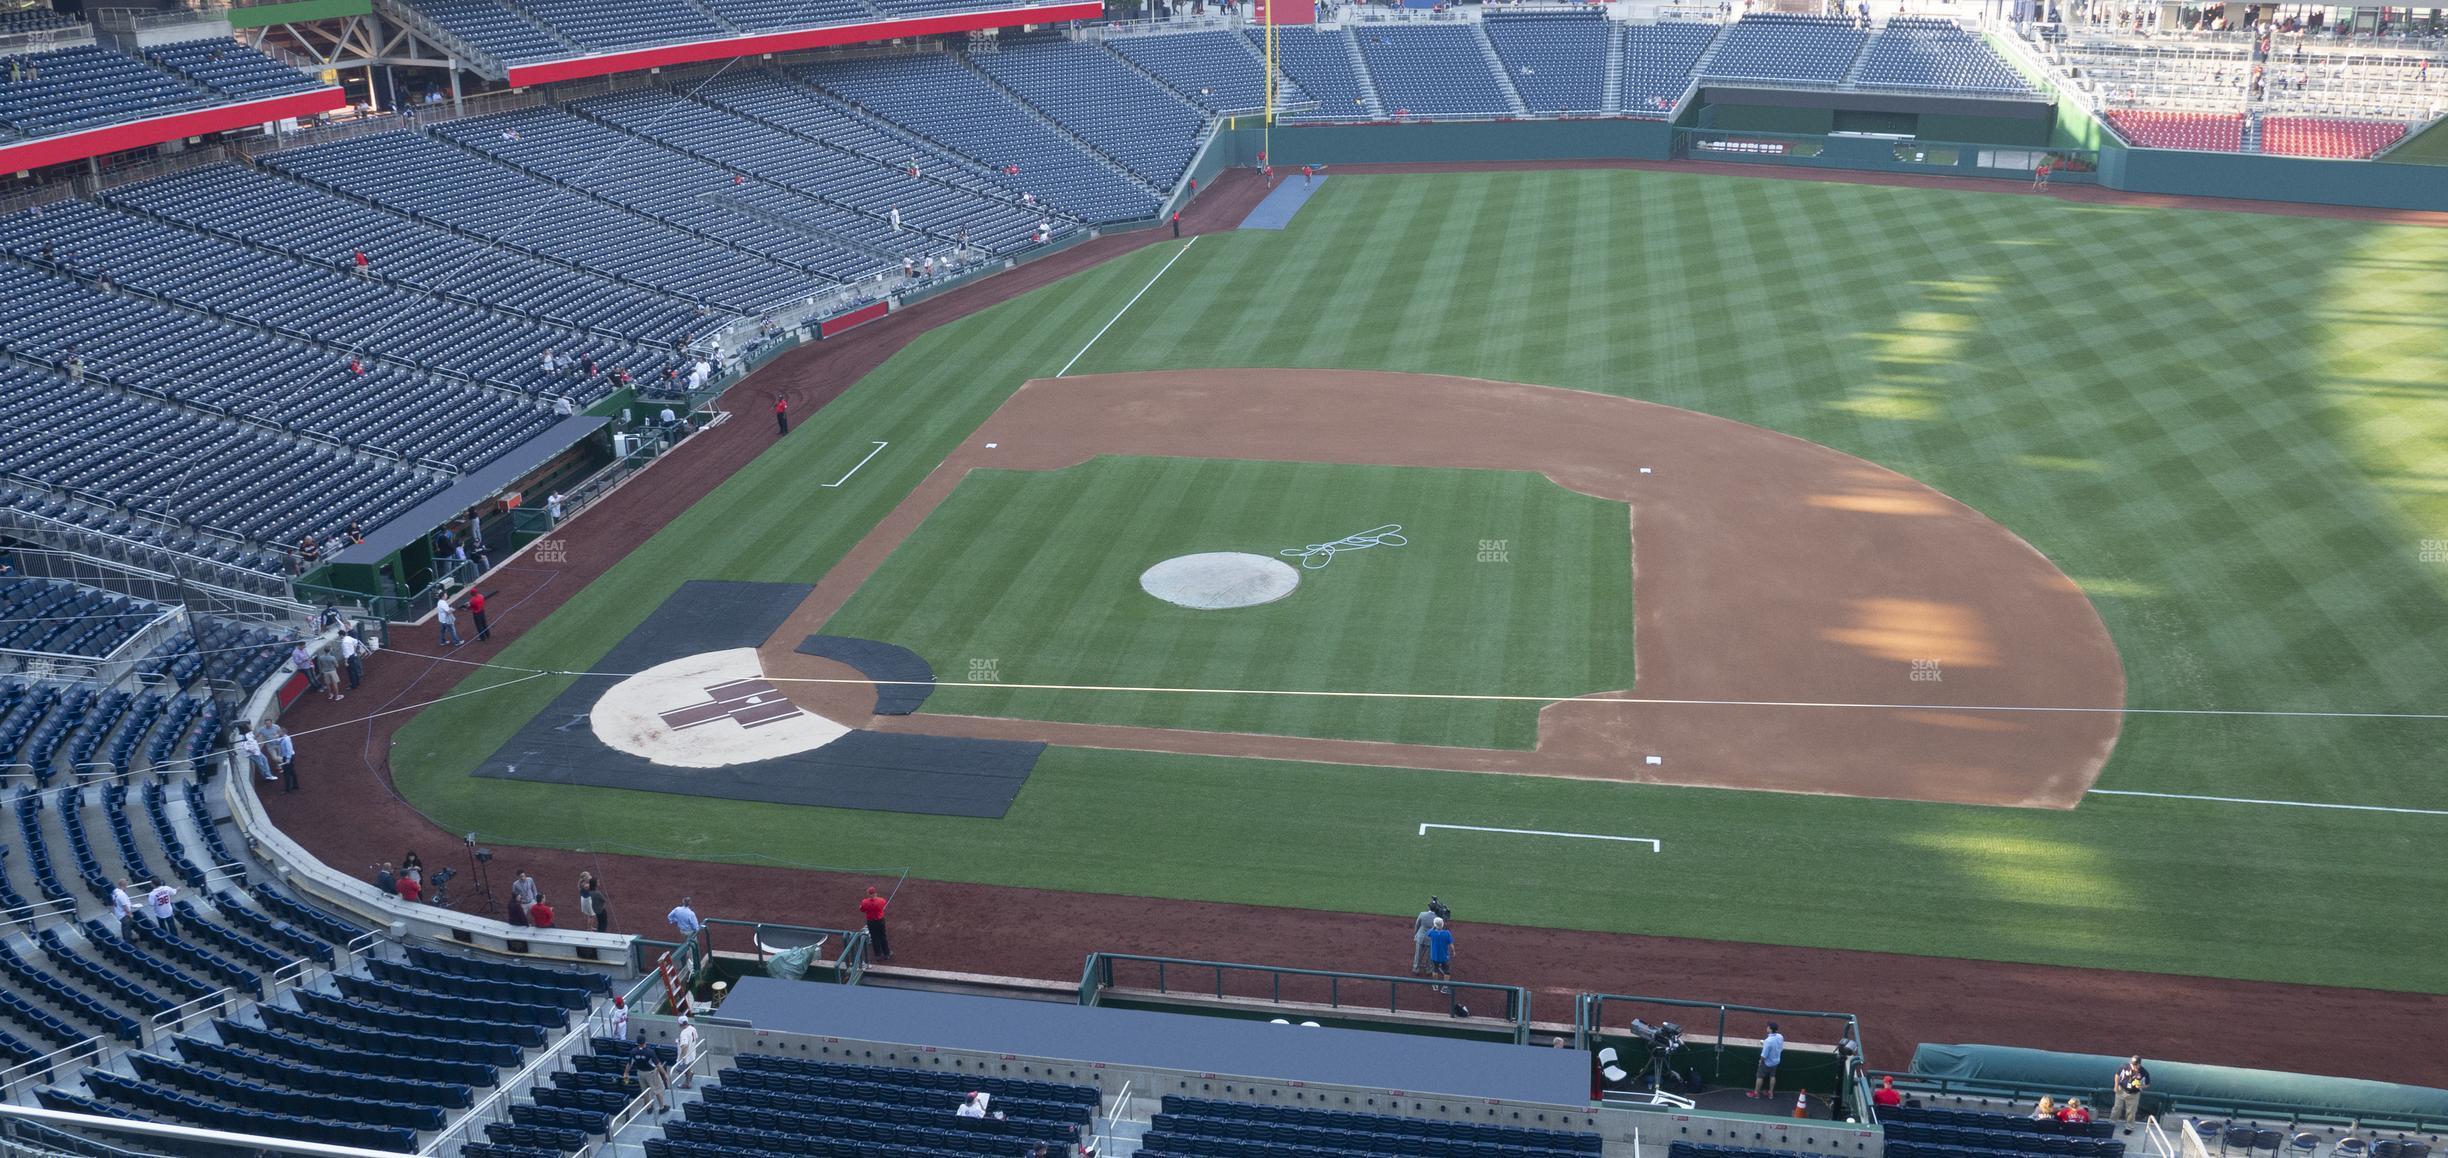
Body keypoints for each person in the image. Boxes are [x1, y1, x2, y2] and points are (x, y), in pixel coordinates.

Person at [622, 1035, 671, 1115]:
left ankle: (648, 1107)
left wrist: (626, 1072)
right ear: (645, 1042)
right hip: (651, 1073)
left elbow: (629, 1064)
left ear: (637, 1043)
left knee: (645, 1091)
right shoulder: (650, 1052)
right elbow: (658, 1065)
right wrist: (665, 1074)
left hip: (640, 1073)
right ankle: (662, 1107)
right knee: (658, 1089)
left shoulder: (633, 1052)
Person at [1751, 1022, 1786, 1100]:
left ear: (1770, 1029)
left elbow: (1764, 1054)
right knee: (1772, 1076)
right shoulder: (1780, 1036)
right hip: (1776, 1061)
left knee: (1759, 1076)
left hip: (1767, 1063)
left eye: (1768, 1027)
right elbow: (1779, 1047)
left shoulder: (1768, 1041)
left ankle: (1756, 1094)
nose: (1767, 1028)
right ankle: (1770, 1093)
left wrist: (1760, 1061)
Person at [259, 722, 296, 793]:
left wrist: (288, 759)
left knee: (287, 774)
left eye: (279, 732)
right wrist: (276, 738)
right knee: (292, 772)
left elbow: (289, 749)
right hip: (287, 756)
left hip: (287, 757)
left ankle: (288, 790)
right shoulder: (283, 738)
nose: (278, 733)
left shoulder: (286, 739)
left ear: (283, 732)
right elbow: (279, 740)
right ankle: (295, 785)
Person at [2111, 1056, 2150, 1122]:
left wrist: (2140, 1086)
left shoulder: (2144, 1072)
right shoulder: (2124, 1066)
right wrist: (2116, 1086)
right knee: (2116, 1108)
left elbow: (2147, 1084)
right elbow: (2117, 1075)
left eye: (2134, 1065)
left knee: (2131, 1112)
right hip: (2121, 1090)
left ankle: (2129, 1127)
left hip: (2133, 1095)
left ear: (2139, 1065)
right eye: (2131, 1064)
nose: (2132, 1066)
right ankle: (2112, 1122)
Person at [859, 886, 892, 960]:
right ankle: (887, 953)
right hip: (880, 921)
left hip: (871, 922)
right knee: (883, 936)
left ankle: (878, 955)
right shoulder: (881, 900)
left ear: (868, 894)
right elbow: (883, 904)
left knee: (874, 938)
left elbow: (862, 909)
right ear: (875, 893)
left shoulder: (864, 902)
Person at [1424, 917, 1453, 989]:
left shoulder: (1432, 933)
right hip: (1444, 956)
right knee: (1447, 972)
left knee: (1435, 970)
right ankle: (1445, 987)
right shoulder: (1447, 933)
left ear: (1435, 925)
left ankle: (1435, 985)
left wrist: (1434, 926)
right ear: (1442, 924)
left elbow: (1428, 934)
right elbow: (1451, 944)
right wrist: (1454, 951)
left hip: (1435, 956)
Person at [673, 1017, 701, 1088]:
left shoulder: (684, 1033)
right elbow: (695, 1037)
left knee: (679, 1069)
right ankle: (689, 1077)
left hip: (686, 1055)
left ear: (680, 1024)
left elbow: (685, 1046)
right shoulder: (692, 1028)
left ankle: (687, 1082)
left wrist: (682, 1057)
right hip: (692, 1051)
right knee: (688, 1067)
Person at [1410, 904, 1437, 975]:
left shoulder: (1422, 914)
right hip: (1431, 938)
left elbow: (1417, 924)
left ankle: (1416, 969)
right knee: (1430, 956)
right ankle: (1429, 970)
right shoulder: (1437, 918)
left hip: (1420, 937)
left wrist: (1416, 934)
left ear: (1429, 908)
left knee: (1418, 954)